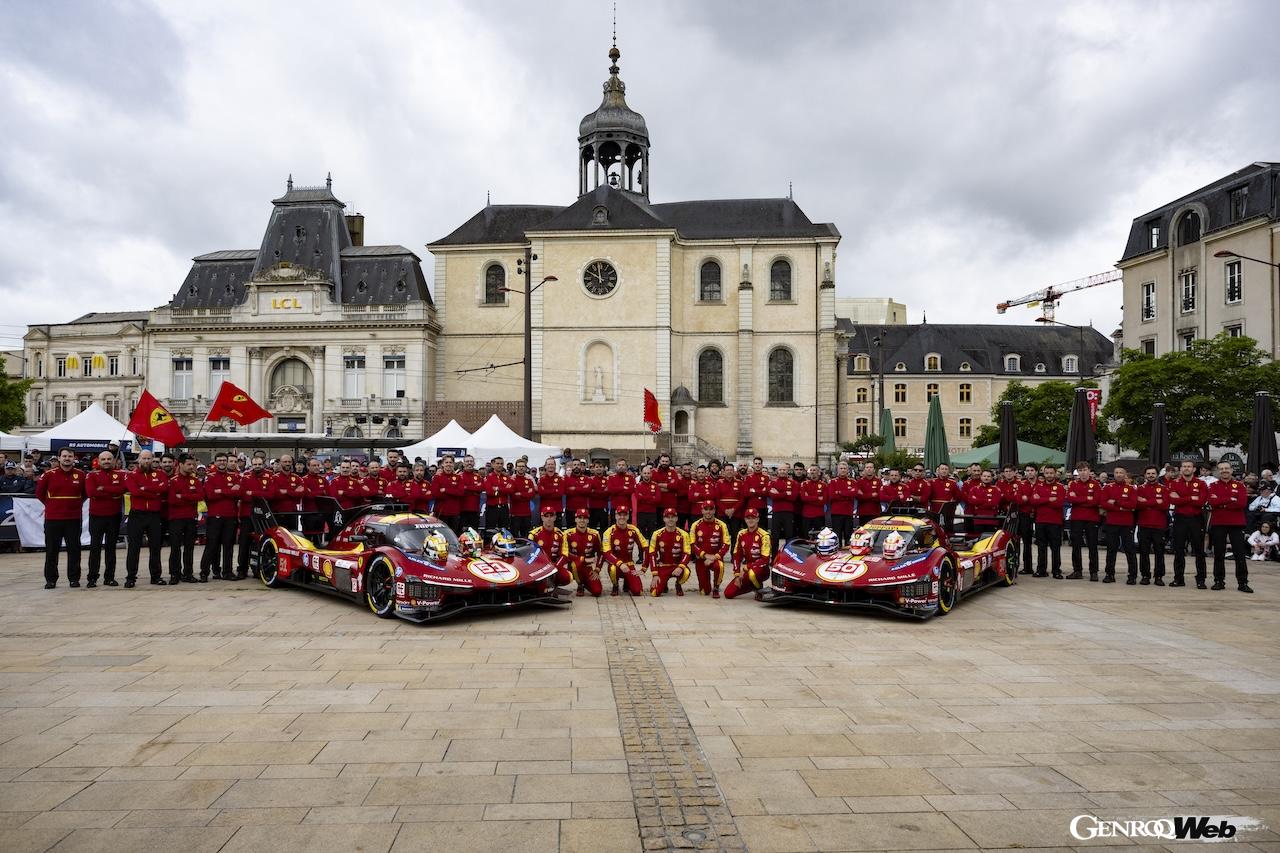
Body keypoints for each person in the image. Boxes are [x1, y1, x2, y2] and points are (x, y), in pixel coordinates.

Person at [36, 447, 86, 589]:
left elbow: (85, 494)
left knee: (74, 550)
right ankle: (51, 580)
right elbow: (39, 494)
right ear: (58, 458)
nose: (67, 458)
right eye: (64, 456)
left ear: (74, 458)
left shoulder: (81, 475)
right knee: (52, 550)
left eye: (70, 456)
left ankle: (74, 579)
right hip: (53, 519)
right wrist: (52, 505)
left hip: (73, 519)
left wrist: (74, 505)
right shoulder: (48, 475)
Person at [125, 450, 169, 587]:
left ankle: (156, 576)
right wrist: (154, 491)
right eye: (143, 458)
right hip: (137, 515)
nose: (146, 461)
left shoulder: (160, 474)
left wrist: (145, 488)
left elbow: (164, 489)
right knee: (134, 548)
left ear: (153, 460)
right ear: (139, 459)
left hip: (154, 515)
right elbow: (135, 492)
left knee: (155, 547)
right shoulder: (131, 475)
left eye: (149, 458)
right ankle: (131, 577)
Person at [1207, 461, 1252, 593]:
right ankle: (1219, 581)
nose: (1224, 471)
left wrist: (1222, 502)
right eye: (1221, 469)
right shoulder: (1213, 486)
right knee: (1219, 554)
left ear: (1231, 470)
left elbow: (1242, 503)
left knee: (1240, 554)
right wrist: (1231, 499)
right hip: (1219, 523)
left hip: (1236, 524)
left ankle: (1243, 582)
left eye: (1227, 468)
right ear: (1218, 471)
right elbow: (1212, 502)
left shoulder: (1240, 486)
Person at [85, 449, 127, 587]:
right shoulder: (92, 475)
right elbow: (91, 492)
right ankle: (92, 578)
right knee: (95, 548)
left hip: (113, 516)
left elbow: (122, 489)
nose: (106, 461)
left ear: (114, 460)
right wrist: (112, 493)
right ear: (99, 461)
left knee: (111, 549)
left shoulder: (120, 474)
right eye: (103, 459)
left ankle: (109, 577)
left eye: (109, 459)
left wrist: (104, 489)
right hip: (96, 516)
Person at [1168, 459, 1208, 588]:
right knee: (1178, 550)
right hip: (1180, 518)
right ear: (1180, 469)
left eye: (1189, 466)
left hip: (1196, 519)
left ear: (1194, 469)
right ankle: (1178, 578)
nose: (1186, 468)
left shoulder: (1201, 483)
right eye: (1184, 466)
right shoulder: (1174, 483)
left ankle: (1201, 580)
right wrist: (1191, 498)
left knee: (1199, 551)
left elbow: (1201, 502)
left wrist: (1181, 498)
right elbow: (1172, 500)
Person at [200, 453, 240, 580]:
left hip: (230, 516)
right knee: (212, 545)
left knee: (228, 545)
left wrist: (220, 490)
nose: (222, 462)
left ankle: (227, 572)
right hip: (214, 516)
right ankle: (205, 572)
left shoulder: (234, 476)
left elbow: (238, 492)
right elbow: (210, 495)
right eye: (219, 460)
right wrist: (228, 491)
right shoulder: (209, 477)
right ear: (215, 462)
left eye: (224, 460)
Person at [166, 453, 202, 584]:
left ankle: (188, 573)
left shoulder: (196, 480)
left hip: (191, 518)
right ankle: (174, 574)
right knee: (175, 547)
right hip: (176, 518)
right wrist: (189, 497)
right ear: (180, 464)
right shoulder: (173, 480)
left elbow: (199, 496)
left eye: (192, 464)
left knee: (189, 547)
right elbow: (172, 500)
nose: (191, 466)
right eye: (188, 464)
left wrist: (183, 496)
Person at [237, 456, 274, 580]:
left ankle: (259, 569)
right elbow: (243, 495)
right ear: (251, 465)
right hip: (247, 515)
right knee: (244, 544)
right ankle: (241, 570)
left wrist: (252, 493)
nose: (257, 466)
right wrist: (259, 494)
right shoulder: (246, 477)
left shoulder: (269, 476)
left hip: (263, 517)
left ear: (263, 464)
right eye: (255, 464)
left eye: (259, 464)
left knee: (262, 544)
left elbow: (271, 495)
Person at [1101, 466, 1137, 584]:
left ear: (1125, 474)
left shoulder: (1131, 488)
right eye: (1116, 472)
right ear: (1114, 474)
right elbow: (1103, 503)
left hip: (1126, 524)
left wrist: (1116, 502)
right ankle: (1109, 574)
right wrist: (1122, 507)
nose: (1119, 474)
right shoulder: (1108, 487)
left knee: (1129, 550)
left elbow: (1133, 504)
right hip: (1112, 522)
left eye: (1121, 472)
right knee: (1111, 549)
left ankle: (1132, 575)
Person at [1066, 461, 1102, 580]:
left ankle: (1094, 572)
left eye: (1085, 470)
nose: (1083, 473)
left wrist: (1079, 499)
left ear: (1089, 471)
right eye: (1080, 470)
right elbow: (1071, 499)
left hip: (1092, 519)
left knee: (1092, 545)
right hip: (1076, 518)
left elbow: (1096, 501)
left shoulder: (1096, 484)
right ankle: (1077, 571)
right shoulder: (1073, 484)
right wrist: (1086, 499)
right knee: (1076, 545)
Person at [725, 508, 771, 600]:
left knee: (752, 574)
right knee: (728, 593)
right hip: (747, 570)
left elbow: (765, 560)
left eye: (753, 518)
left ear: (757, 519)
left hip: (762, 570)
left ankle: (759, 589)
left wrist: (747, 567)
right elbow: (736, 556)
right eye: (748, 518)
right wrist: (737, 575)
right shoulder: (741, 534)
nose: (751, 520)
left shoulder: (764, 535)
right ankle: (751, 586)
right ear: (745, 520)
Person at [1134, 466, 1169, 585]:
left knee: (1159, 552)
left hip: (1159, 525)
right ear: (1144, 475)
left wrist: (1147, 501)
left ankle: (1159, 576)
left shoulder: (1164, 489)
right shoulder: (1140, 489)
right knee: (1144, 552)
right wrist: (1155, 502)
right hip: (1144, 524)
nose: (1151, 475)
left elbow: (1165, 505)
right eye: (1148, 473)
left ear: (1157, 474)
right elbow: (1137, 505)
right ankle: (1145, 575)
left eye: (1153, 473)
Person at [602, 505, 647, 596]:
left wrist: (644, 568)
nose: (622, 517)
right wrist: (619, 563)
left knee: (638, 592)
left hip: (629, 564)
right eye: (619, 515)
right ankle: (615, 585)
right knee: (613, 569)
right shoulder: (608, 532)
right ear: (615, 516)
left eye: (624, 515)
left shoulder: (633, 530)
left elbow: (645, 547)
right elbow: (606, 553)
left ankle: (627, 582)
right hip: (616, 565)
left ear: (628, 516)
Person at [1030, 465, 1066, 578]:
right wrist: (1049, 499)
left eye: (1051, 473)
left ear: (1055, 474)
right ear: (1043, 474)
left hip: (1055, 522)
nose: (1049, 475)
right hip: (1040, 520)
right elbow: (1033, 501)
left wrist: (1041, 500)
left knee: (1055, 547)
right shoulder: (1038, 486)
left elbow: (1059, 503)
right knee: (1041, 547)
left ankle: (1056, 571)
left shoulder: (1060, 487)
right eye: (1047, 473)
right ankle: (1041, 570)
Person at [689, 501, 730, 597]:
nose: (708, 512)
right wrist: (705, 555)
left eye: (711, 509)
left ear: (714, 510)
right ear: (702, 511)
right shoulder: (695, 525)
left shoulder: (721, 525)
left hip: (716, 558)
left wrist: (715, 557)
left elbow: (726, 544)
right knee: (704, 592)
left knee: (719, 566)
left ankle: (716, 587)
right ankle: (706, 587)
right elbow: (692, 544)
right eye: (706, 509)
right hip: (701, 560)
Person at [647, 508, 691, 597]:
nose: (670, 519)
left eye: (673, 517)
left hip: (677, 566)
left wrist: (681, 567)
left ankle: (678, 584)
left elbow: (687, 553)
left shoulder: (684, 534)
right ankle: (664, 584)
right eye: (668, 517)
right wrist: (655, 573)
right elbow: (652, 555)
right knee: (654, 593)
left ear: (677, 518)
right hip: (663, 566)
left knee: (686, 572)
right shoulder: (657, 534)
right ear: (664, 519)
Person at [562, 507, 603, 597]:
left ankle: (586, 583)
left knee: (597, 592)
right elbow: (564, 553)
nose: (582, 520)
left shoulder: (595, 534)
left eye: (585, 518)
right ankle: (580, 585)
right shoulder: (567, 534)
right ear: (575, 519)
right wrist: (583, 559)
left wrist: (597, 570)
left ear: (588, 520)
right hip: (573, 566)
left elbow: (601, 554)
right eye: (580, 518)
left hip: (587, 567)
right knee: (575, 565)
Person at [529, 506, 572, 586]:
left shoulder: (561, 535)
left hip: (554, 565)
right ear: (542, 517)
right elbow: (530, 554)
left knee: (568, 577)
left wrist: (555, 568)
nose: (549, 519)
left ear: (555, 517)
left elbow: (564, 554)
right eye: (546, 516)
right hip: (539, 566)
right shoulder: (533, 534)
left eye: (551, 516)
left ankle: (553, 583)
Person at [961, 469, 1002, 537]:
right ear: (981, 477)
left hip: (992, 520)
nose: (986, 478)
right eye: (984, 476)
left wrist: (978, 503)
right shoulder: (974, 489)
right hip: (978, 520)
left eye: (988, 476)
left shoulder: (996, 489)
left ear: (992, 478)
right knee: (977, 540)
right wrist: (987, 500)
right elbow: (971, 501)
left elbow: (994, 503)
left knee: (989, 542)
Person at [768, 465, 799, 546]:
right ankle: (774, 557)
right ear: (777, 471)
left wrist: (778, 494)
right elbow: (772, 496)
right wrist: (786, 493)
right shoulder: (772, 482)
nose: (782, 471)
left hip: (788, 512)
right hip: (776, 512)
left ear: (787, 471)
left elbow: (793, 497)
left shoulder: (793, 483)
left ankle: (788, 556)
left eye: (784, 470)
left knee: (789, 535)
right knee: (775, 536)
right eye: (780, 469)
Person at [432, 455, 465, 530]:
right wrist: (453, 492)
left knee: (454, 534)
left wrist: (445, 490)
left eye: (450, 462)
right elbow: (435, 494)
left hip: (454, 512)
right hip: (441, 511)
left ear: (453, 464)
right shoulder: (437, 477)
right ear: (442, 464)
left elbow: (461, 492)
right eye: (446, 462)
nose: (448, 464)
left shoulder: (458, 478)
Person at [483, 457, 512, 533]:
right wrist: (504, 489)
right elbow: (489, 492)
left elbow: (511, 490)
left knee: (504, 530)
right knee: (490, 530)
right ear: (493, 465)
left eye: (501, 464)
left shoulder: (506, 477)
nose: (500, 465)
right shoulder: (488, 477)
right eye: (498, 463)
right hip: (492, 507)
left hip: (504, 507)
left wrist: (497, 488)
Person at [716, 464, 744, 541]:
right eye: (727, 470)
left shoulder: (739, 483)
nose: (729, 472)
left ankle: (734, 553)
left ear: (734, 472)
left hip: (736, 513)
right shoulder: (719, 483)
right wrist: (725, 510)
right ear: (724, 472)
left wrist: (733, 509)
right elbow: (717, 499)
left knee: (735, 536)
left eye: (731, 470)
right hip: (722, 513)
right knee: (721, 536)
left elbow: (742, 499)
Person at [742, 457, 771, 526]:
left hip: (762, 507)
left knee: (763, 528)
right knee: (751, 528)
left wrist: (754, 491)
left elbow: (767, 492)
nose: (757, 465)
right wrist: (761, 491)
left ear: (762, 465)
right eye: (756, 463)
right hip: (751, 507)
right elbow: (746, 493)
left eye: (759, 463)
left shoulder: (766, 478)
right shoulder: (748, 478)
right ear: (753, 465)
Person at [634, 464, 661, 537]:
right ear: (641, 474)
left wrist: (644, 497)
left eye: (648, 473)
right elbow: (639, 498)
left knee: (652, 534)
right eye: (645, 473)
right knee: (641, 534)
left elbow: (658, 499)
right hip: (641, 513)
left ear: (651, 474)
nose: (646, 475)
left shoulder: (656, 485)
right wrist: (651, 497)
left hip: (652, 513)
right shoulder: (638, 485)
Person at [459, 456, 484, 530]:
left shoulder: (478, 477)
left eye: (471, 461)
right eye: (467, 461)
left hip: (475, 510)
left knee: (474, 534)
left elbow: (480, 488)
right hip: (462, 510)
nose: (469, 463)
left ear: (474, 463)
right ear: (463, 463)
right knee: (462, 534)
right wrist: (474, 488)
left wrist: (467, 487)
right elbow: (461, 490)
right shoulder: (459, 476)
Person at [855, 462, 882, 529]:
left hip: (875, 513)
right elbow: (859, 497)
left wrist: (864, 495)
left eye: (871, 467)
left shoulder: (879, 481)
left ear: (874, 470)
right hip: (863, 513)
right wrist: (872, 495)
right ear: (864, 470)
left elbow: (879, 497)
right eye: (867, 467)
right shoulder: (859, 482)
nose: (869, 469)